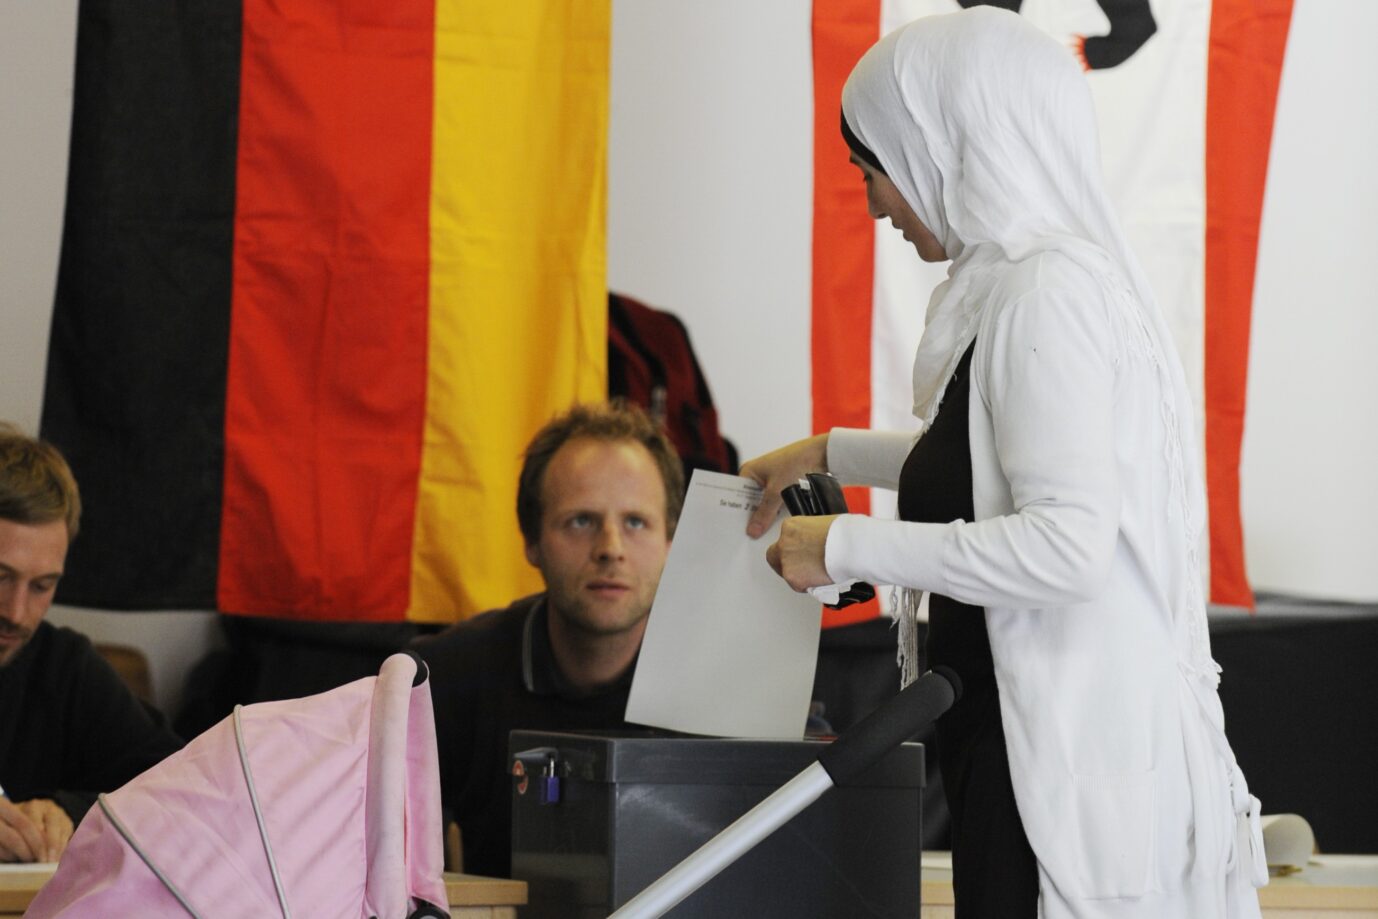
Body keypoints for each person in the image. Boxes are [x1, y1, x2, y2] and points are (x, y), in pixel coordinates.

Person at [741, 9, 1264, 919]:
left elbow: (1065, 547)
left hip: (1060, 772)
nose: (875, 204)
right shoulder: (1036, 286)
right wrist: (827, 454)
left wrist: (849, 545)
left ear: (951, 143)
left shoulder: (1043, 296)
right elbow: (990, 470)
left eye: (877, 170)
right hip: (1020, 754)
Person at [413, 401, 683, 879]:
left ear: (671, 543)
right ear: (531, 539)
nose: (610, 549)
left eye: (636, 522)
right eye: (580, 520)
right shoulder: (443, 681)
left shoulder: (727, 692)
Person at [0, 422, 183, 863]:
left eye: (42, 586)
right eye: (0, 577)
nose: (16, 612)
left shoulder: (64, 667)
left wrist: (74, 812)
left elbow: (184, 789)